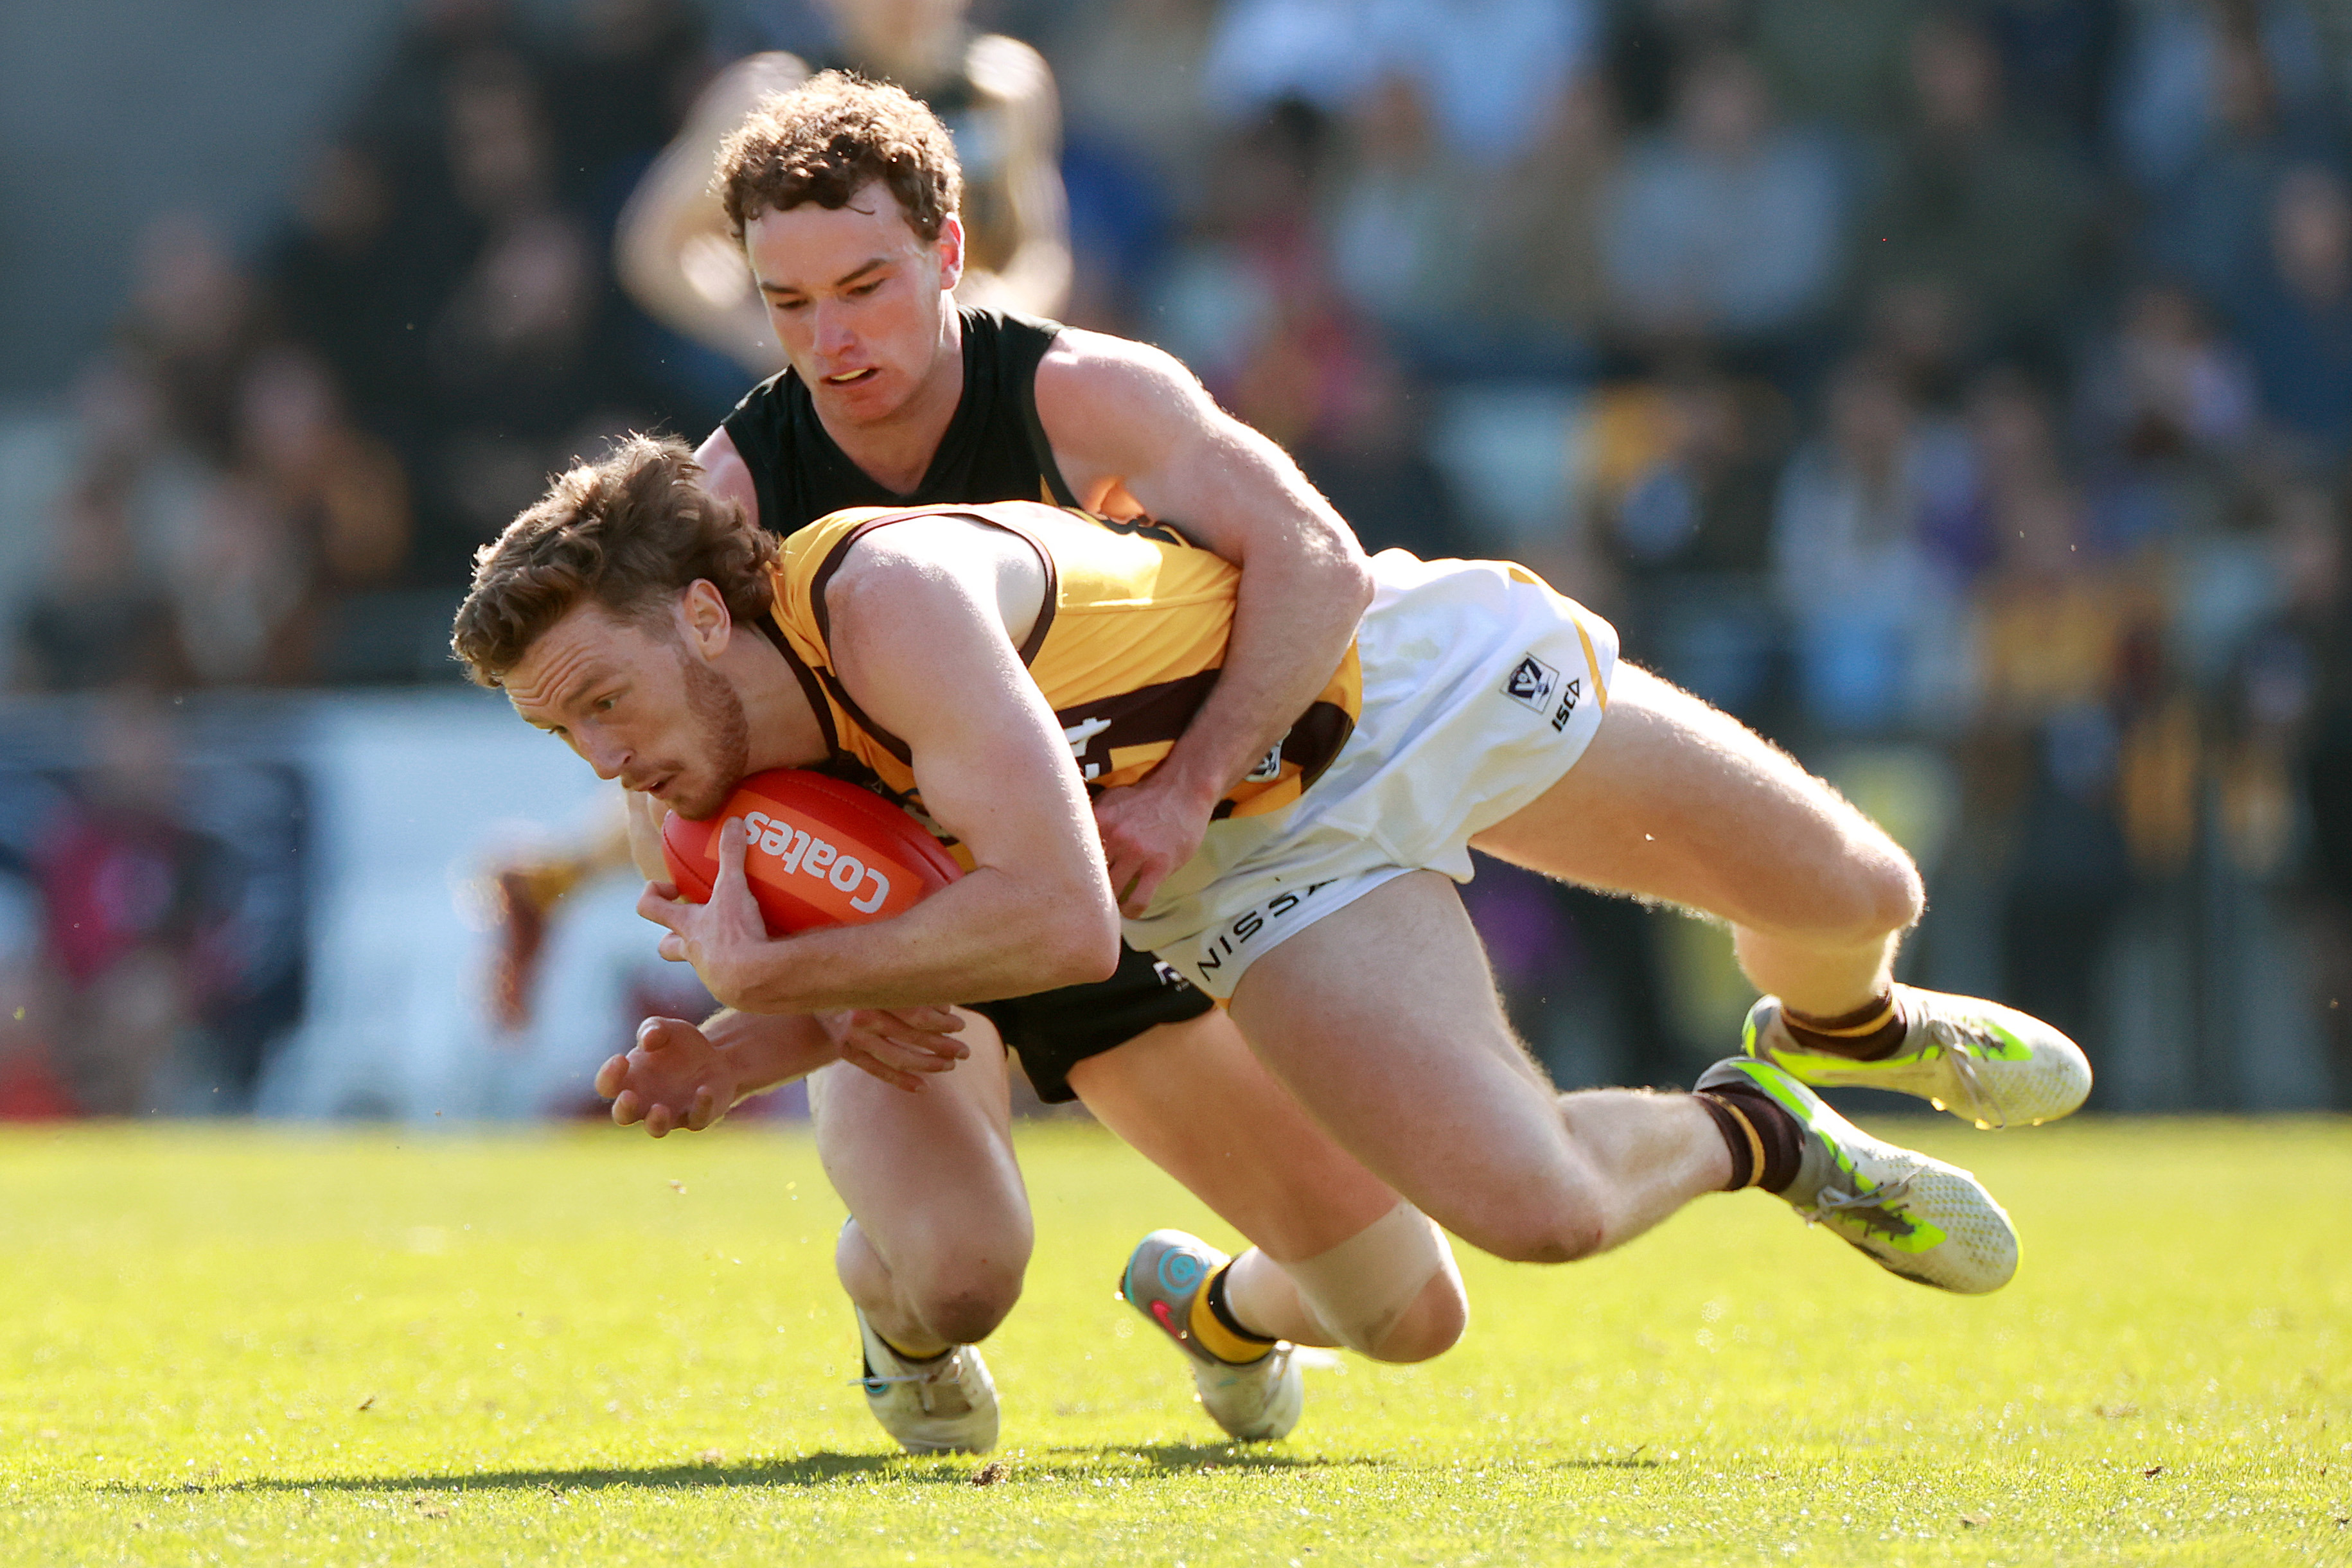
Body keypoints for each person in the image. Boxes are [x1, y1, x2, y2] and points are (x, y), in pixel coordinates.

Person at [453, 432, 2096, 1438]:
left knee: (1858, 893)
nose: (600, 751)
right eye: (563, 732)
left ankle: (1851, 1023)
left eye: (601, 699)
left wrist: (770, 982)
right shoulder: (718, 786)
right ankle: (1760, 1129)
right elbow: (950, 936)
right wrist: (759, 1032)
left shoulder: (888, 596)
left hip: (1398, 680)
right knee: (1524, 1227)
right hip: (1258, 873)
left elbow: (1052, 911)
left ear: (698, 612)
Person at [482, 71, 1477, 1455]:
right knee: (960, 1272)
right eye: (787, 303)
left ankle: (1218, 1306)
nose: (829, 339)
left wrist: (1187, 785)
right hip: (900, 922)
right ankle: (895, 1323)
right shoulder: (728, 505)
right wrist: (817, 989)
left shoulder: (1081, 395)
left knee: (1409, 1312)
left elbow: (1315, 560)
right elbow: (670, 793)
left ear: (950, 250)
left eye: (864, 286)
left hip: (1106, 897)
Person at [614, 1, 1068, 376]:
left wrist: (1001, 311)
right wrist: (765, 337)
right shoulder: (772, 98)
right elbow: (652, 245)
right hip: (834, 395)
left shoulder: (1005, 91)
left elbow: (1042, 251)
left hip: (970, 388)